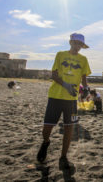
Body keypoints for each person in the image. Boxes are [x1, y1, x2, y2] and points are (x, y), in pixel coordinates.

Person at [37, 33, 91, 170]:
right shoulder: (60, 55)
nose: (77, 46)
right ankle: (46, 142)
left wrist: (86, 89)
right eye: (75, 43)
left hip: (72, 100)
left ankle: (63, 156)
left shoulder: (83, 59)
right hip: (55, 96)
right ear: (70, 42)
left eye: (80, 44)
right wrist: (66, 85)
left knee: (69, 128)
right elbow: (54, 75)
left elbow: (84, 77)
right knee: (47, 127)